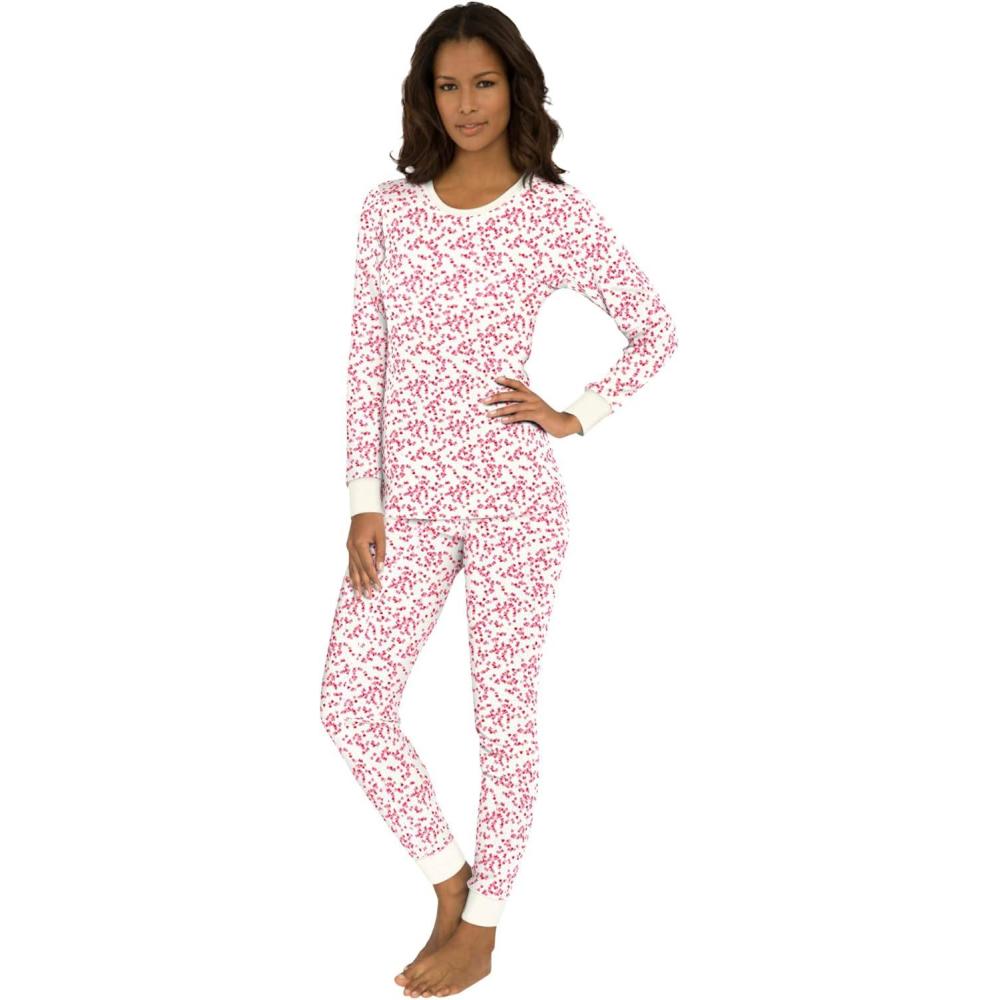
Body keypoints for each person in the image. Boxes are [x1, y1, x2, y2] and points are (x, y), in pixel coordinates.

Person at [319, 4, 678, 996]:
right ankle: (451, 883)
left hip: (514, 501)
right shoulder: (387, 211)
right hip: (408, 504)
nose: (467, 103)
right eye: (449, 85)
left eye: (484, 82)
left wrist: (574, 415)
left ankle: (483, 929)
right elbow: (366, 357)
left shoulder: (553, 212)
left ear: (514, 87)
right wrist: (363, 498)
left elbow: (654, 326)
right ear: (425, 96)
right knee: (349, 702)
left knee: (502, 716)